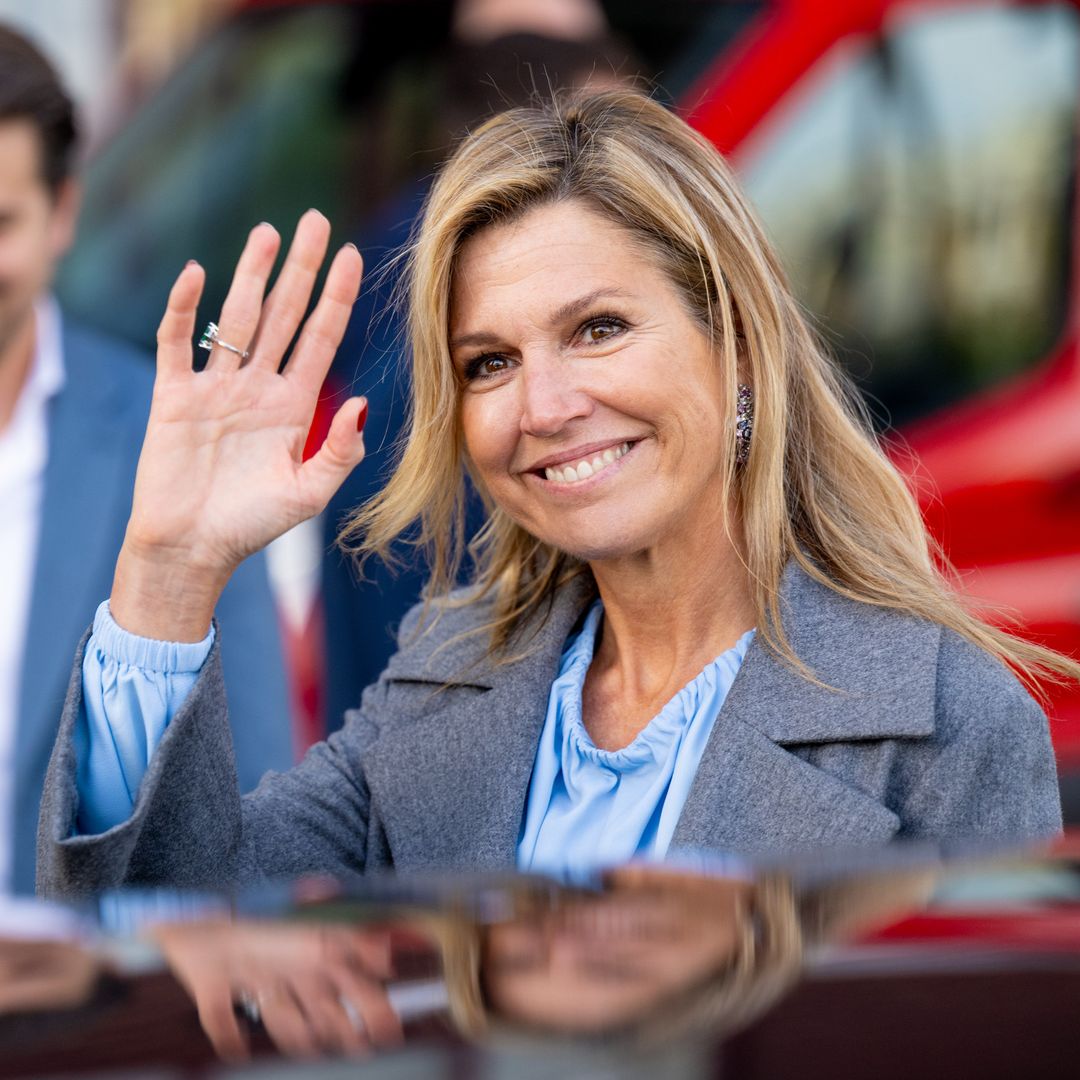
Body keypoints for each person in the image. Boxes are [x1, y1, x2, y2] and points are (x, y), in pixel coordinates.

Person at [37, 88, 1077, 898]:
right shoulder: (447, 678)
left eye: (598, 329)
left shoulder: (950, 726)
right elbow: (174, 925)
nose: (543, 406)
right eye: (489, 363)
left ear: (740, 348)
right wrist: (169, 572)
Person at [0, 25, 293, 895]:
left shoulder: (168, 439)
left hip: (87, 969)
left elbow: (250, 792)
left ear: (62, 213)